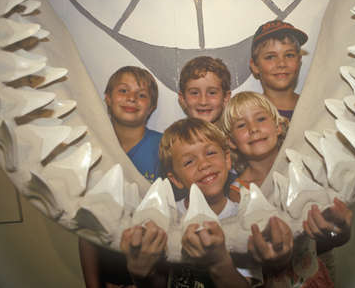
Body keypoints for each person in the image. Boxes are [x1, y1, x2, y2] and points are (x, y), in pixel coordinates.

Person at [121, 118, 294, 287]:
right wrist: (142, 275)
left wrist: (219, 263)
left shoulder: (246, 217)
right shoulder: (167, 217)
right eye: (189, 161)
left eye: (210, 153)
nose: (204, 164)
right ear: (175, 179)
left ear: (227, 160)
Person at [222, 91, 351, 287]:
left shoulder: (304, 171)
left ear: (278, 127)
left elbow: (327, 238)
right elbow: (245, 253)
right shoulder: (237, 192)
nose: (253, 128)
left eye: (261, 119)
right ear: (231, 141)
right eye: (241, 125)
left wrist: (339, 232)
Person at [79, 66, 162, 288]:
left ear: (151, 106)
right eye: (123, 91)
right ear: (107, 97)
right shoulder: (92, 148)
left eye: (142, 95)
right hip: (108, 274)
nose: (132, 98)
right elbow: (87, 228)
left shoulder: (164, 148)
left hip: (155, 273)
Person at [250, 19, 308, 122]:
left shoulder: (315, 107)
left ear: (299, 61)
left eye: (289, 55)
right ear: (255, 66)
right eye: (270, 57)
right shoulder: (247, 114)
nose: (281, 64)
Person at [178, 56, 232, 125]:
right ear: (182, 99)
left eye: (212, 93)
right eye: (194, 93)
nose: (203, 102)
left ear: (226, 97)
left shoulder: (237, 135)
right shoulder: (174, 135)